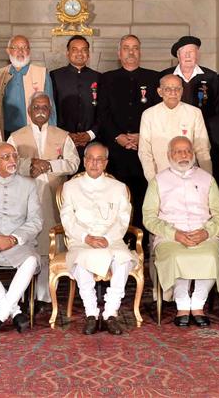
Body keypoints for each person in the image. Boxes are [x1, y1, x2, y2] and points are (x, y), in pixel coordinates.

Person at [143, 136, 219, 327]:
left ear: (193, 153)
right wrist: (175, 234)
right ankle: (182, 304)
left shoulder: (207, 179)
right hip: (170, 235)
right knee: (176, 257)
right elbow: (148, 217)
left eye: (187, 151)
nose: (183, 155)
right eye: (178, 151)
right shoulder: (158, 181)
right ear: (169, 155)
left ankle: (197, 303)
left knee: (210, 257)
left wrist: (206, 233)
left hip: (204, 233)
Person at [7, 91, 79, 301]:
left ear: (50, 111)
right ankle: (23, 294)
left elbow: (73, 163)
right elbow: (7, 162)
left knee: (50, 245)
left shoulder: (62, 135)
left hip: (52, 196)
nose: (40, 111)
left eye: (44, 108)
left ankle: (46, 294)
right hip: (25, 197)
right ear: (29, 111)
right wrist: (30, 164)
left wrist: (49, 165)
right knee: (26, 245)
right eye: (36, 108)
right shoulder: (16, 136)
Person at [60, 141, 134, 335]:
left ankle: (110, 313)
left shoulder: (118, 187)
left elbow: (123, 219)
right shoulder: (70, 186)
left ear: (106, 163)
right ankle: (91, 313)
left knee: (124, 260)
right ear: (84, 161)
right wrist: (87, 238)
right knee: (81, 260)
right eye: (90, 159)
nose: (94, 164)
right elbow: (67, 219)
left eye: (99, 160)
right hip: (82, 240)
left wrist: (108, 238)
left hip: (112, 240)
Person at [0, 142, 42, 336]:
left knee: (30, 261)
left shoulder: (29, 185)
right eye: (6, 157)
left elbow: (36, 221)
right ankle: (16, 312)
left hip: (18, 242)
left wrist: (14, 238)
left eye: (14, 156)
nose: (13, 160)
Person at [95, 34, 162, 226]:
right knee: (116, 198)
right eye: (126, 47)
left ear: (140, 52)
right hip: (116, 150)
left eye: (135, 48)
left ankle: (143, 243)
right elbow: (102, 113)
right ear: (119, 53)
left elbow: (158, 113)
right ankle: (119, 241)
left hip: (145, 149)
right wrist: (118, 136)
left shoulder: (153, 77)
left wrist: (144, 137)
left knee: (144, 198)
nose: (131, 52)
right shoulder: (107, 79)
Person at [138, 73, 213, 179]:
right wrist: (153, 181)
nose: (173, 93)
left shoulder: (194, 113)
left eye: (177, 89)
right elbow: (145, 152)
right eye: (168, 89)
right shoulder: (148, 115)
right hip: (160, 176)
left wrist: (208, 178)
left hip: (190, 176)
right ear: (160, 92)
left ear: (182, 91)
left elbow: (202, 149)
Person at [50, 35, 101, 149]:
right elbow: (51, 110)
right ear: (67, 53)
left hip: (92, 141)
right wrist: (65, 134)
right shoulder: (54, 76)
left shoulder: (99, 77)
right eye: (75, 50)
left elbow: (103, 110)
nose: (79, 53)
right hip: (61, 140)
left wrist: (90, 134)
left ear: (88, 54)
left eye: (84, 50)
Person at [0, 35, 53, 135]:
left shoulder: (42, 73)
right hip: (6, 131)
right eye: (16, 48)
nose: (21, 51)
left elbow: (51, 107)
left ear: (29, 51)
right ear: (8, 51)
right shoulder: (1, 74)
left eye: (25, 48)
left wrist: (51, 133)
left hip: (34, 131)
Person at [159, 35, 219, 115]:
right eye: (184, 52)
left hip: (202, 124)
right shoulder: (165, 75)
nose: (188, 56)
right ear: (178, 55)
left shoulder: (210, 77)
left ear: (197, 55)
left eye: (191, 52)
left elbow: (217, 106)